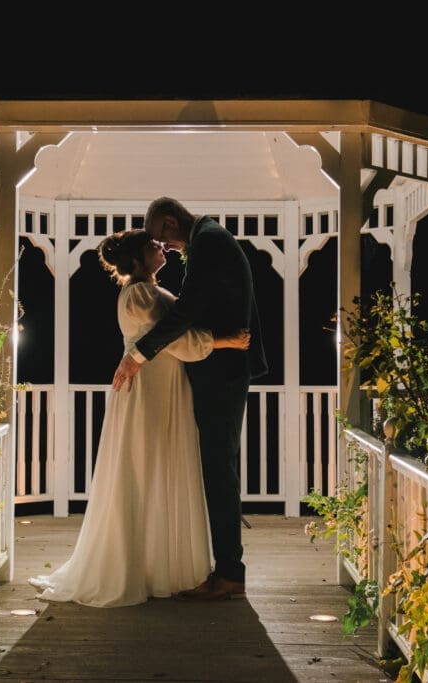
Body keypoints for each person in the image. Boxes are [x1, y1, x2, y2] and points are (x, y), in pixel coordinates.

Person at [28, 229, 250, 607]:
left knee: (157, 467)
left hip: (161, 386)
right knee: (146, 466)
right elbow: (172, 339)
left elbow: (174, 330)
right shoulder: (140, 293)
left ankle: (155, 563)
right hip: (149, 390)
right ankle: (143, 565)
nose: (160, 247)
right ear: (136, 258)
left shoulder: (146, 291)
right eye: (151, 246)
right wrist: (225, 341)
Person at [112, 197, 268, 601]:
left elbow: (187, 314)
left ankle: (230, 573)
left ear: (168, 223)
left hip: (222, 370)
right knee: (217, 466)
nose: (166, 248)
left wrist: (137, 355)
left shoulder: (209, 242)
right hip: (217, 367)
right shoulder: (209, 239)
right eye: (154, 244)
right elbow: (186, 315)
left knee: (219, 468)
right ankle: (225, 569)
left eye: (161, 239)